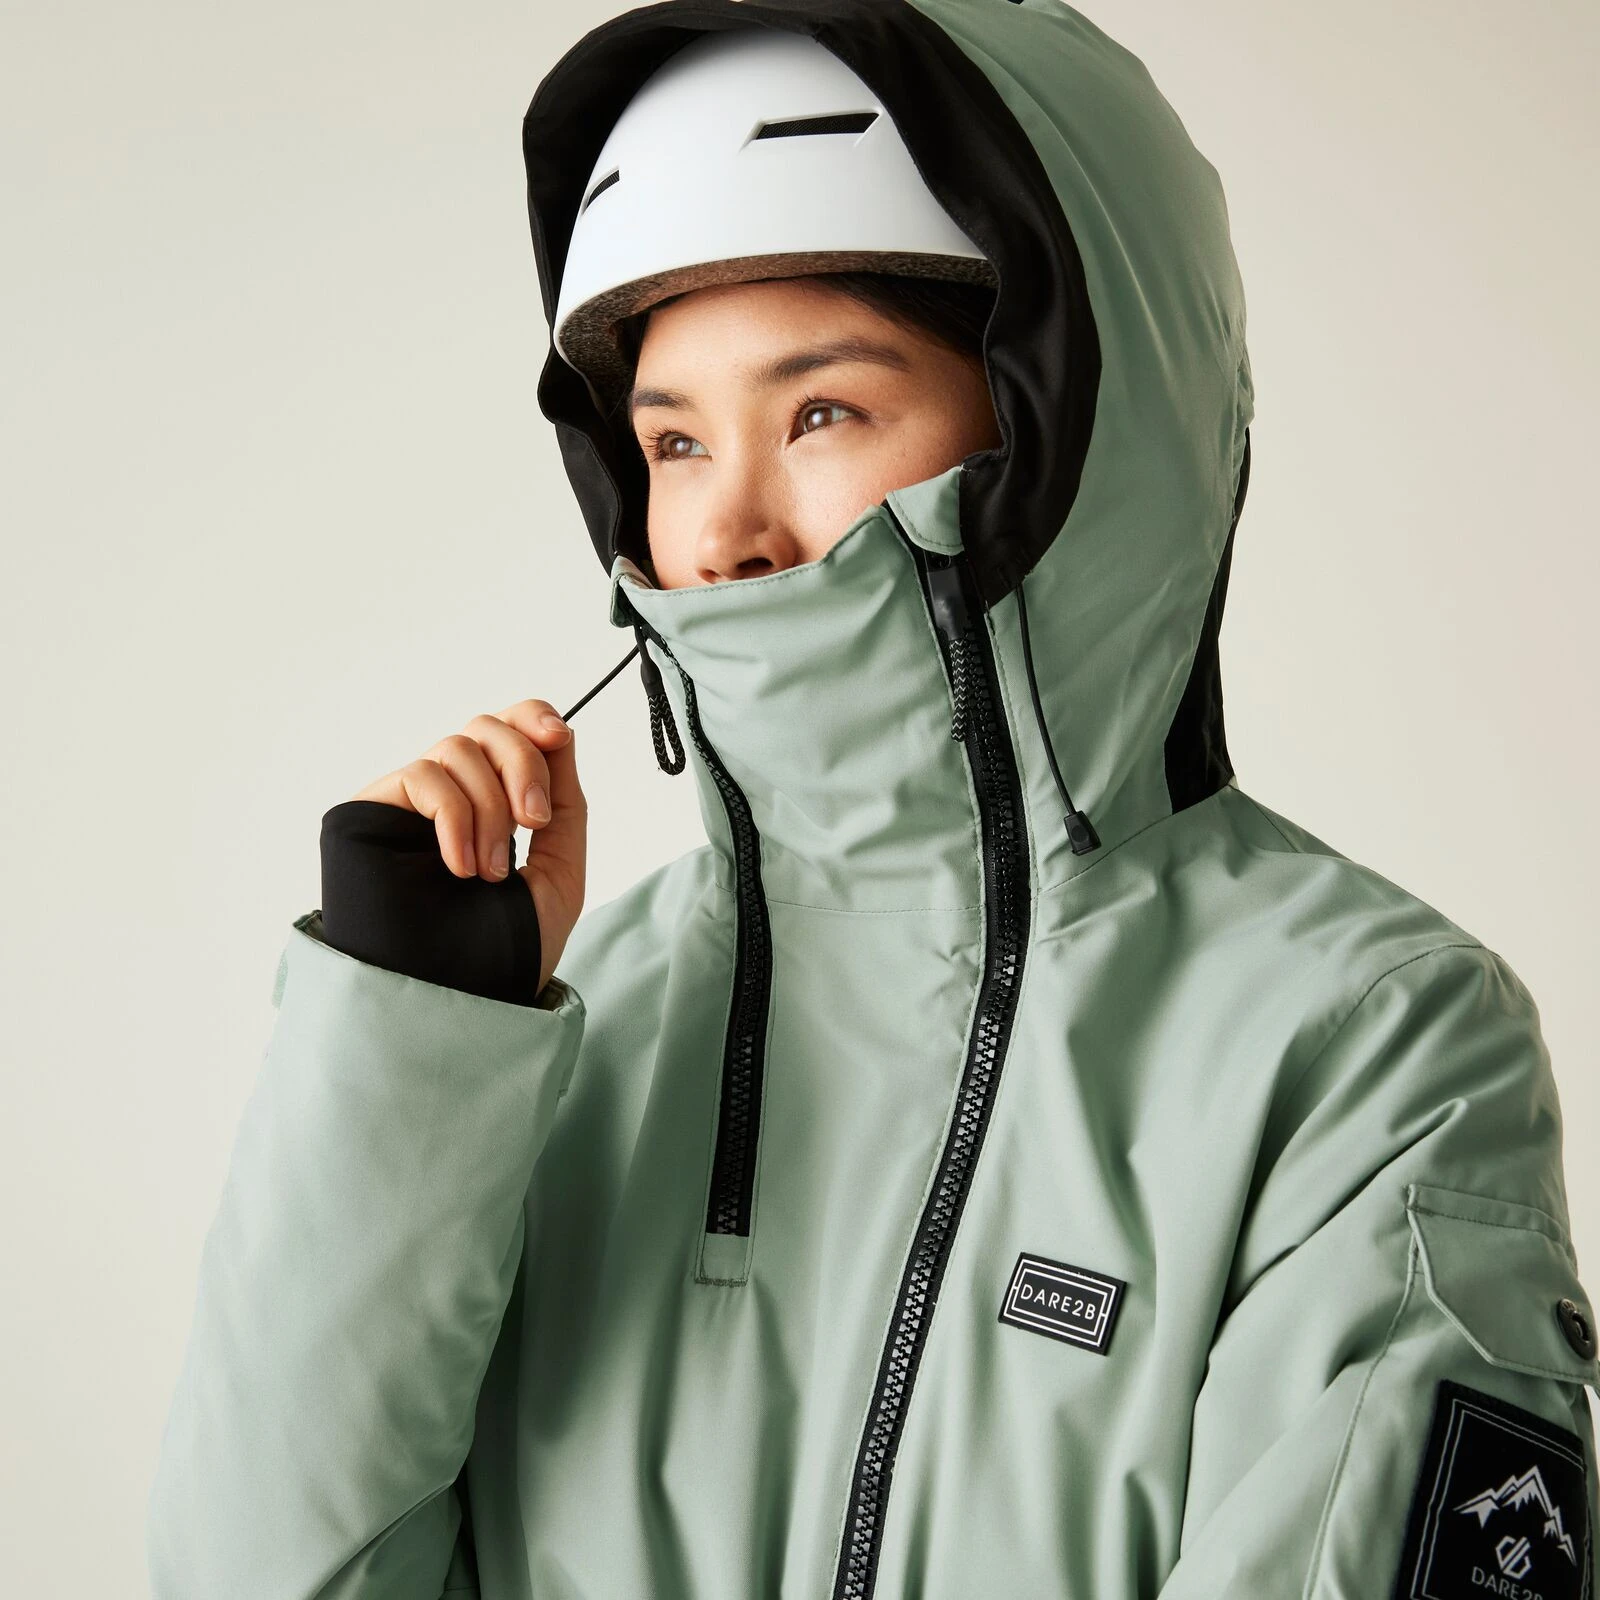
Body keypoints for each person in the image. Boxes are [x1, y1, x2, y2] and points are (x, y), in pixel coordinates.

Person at [147, 8, 1599, 1600]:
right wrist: (410, 1054)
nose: (727, 530)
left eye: (821, 412)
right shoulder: (566, 1036)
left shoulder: (1370, 1043)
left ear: (1057, 426)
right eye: (674, 441)